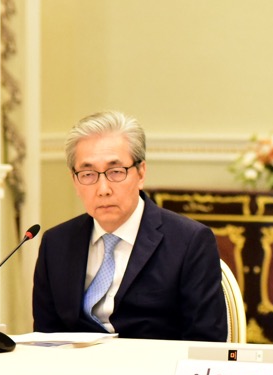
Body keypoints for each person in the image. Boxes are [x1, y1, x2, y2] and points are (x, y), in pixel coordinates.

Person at [32, 111, 227, 341]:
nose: (103, 189)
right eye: (88, 174)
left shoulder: (189, 241)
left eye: (115, 172)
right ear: (75, 180)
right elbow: (46, 337)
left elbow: (206, 341)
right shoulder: (56, 243)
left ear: (141, 173)